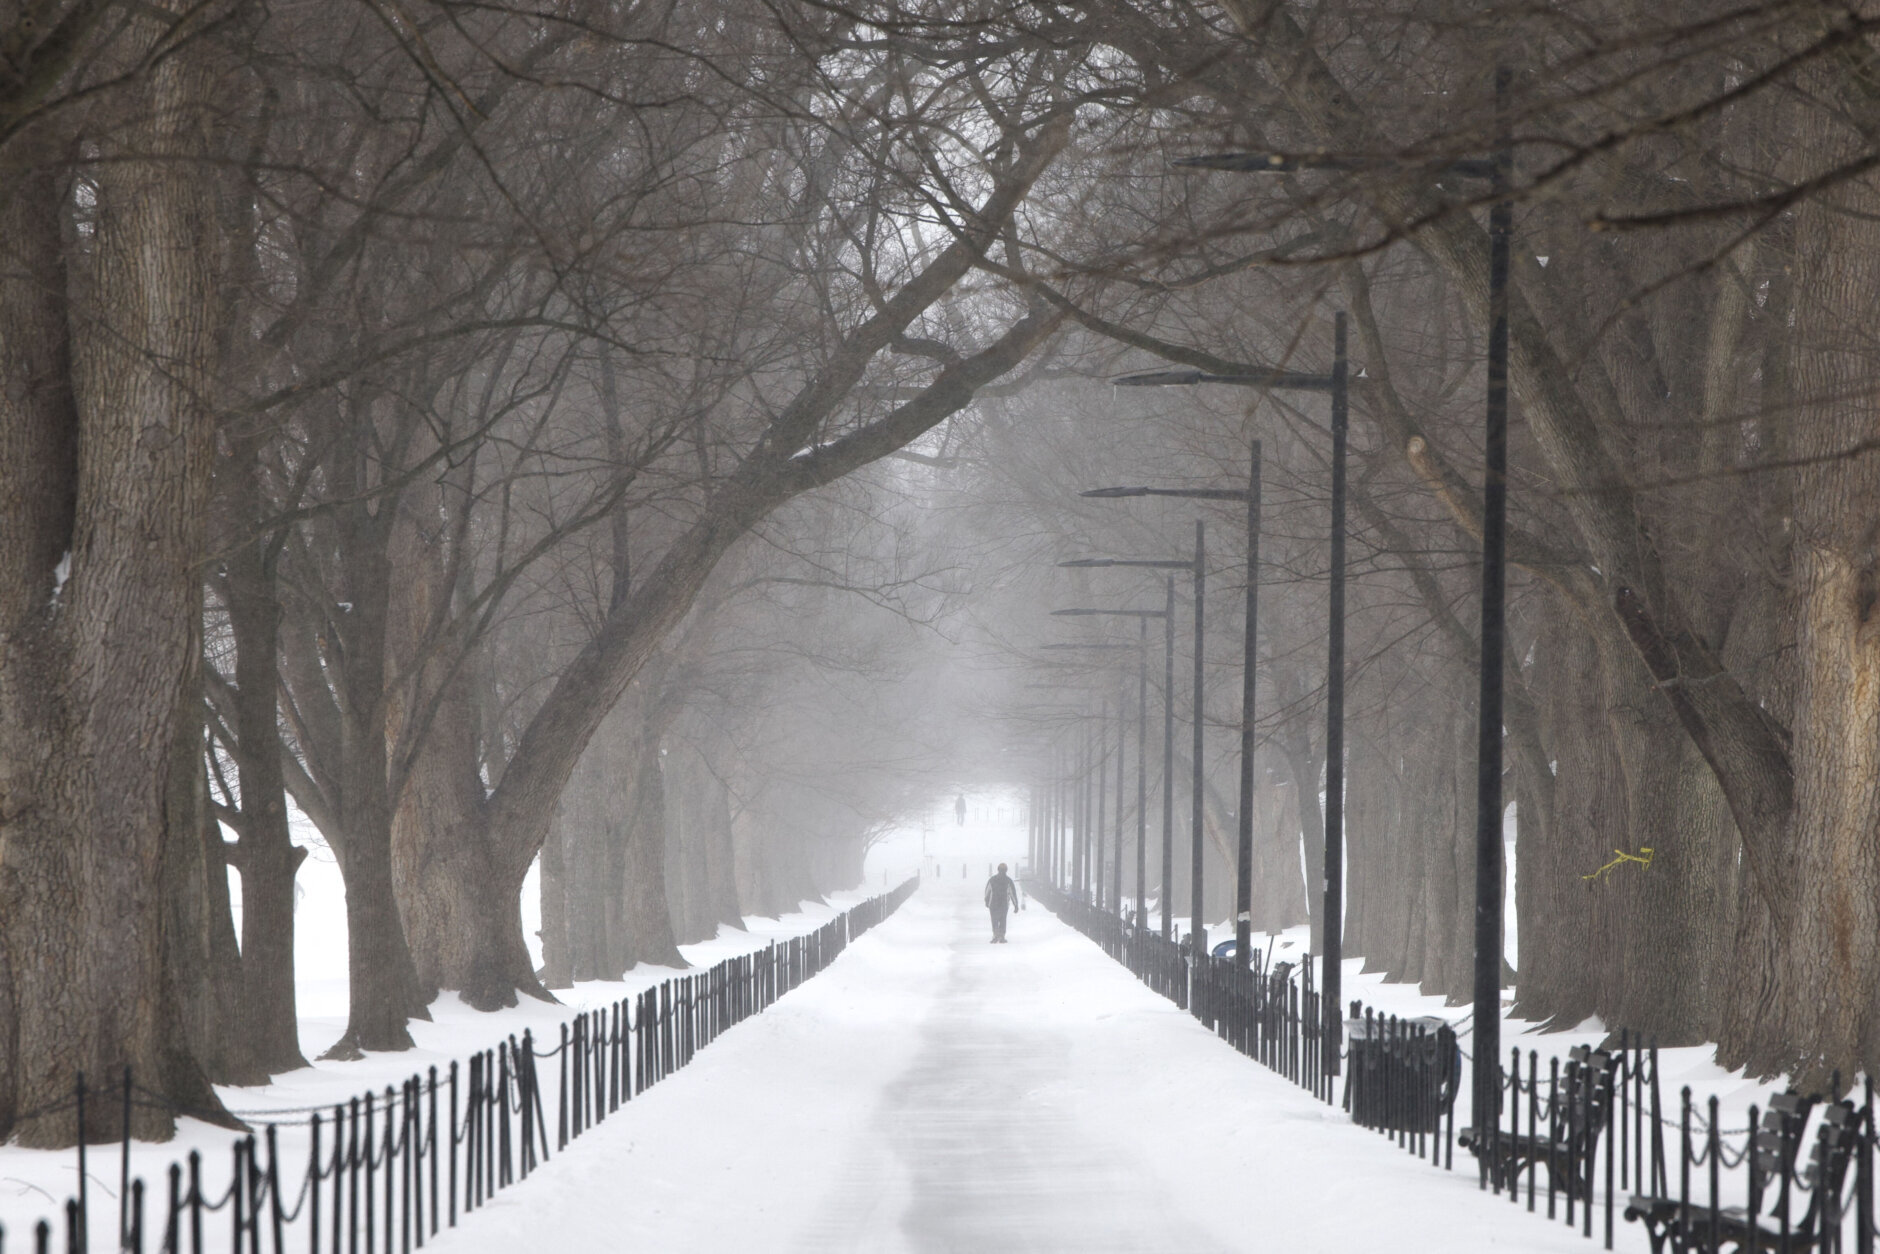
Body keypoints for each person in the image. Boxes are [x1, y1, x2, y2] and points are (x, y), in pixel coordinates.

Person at [984, 863, 1021, 943]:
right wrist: (1016, 905)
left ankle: (995, 935)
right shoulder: (1008, 881)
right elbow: (1012, 894)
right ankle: (1001, 936)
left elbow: (987, 892)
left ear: (998, 869)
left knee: (994, 920)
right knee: (1003, 920)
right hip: (1003, 904)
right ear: (1006, 870)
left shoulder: (992, 880)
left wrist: (987, 901)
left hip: (993, 904)